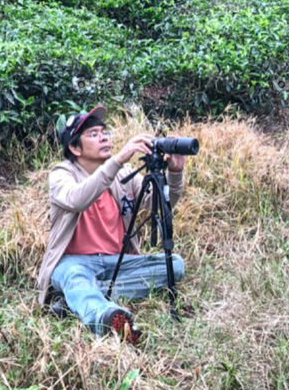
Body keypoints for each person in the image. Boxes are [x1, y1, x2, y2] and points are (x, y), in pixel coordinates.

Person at [36, 105, 189, 340]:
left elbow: (158, 204)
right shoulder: (61, 174)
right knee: (74, 276)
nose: (104, 137)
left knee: (175, 265)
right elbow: (77, 199)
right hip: (74, 262)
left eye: (104, 132)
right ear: (74, 148)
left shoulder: (123, 174)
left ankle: (74, 299)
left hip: (117, 261)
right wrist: (117, 160)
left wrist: (175, 174)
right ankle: (105, 317)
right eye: (93, 134)